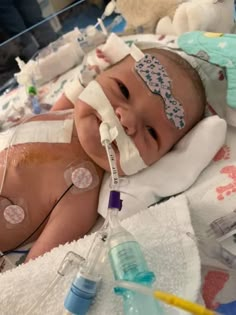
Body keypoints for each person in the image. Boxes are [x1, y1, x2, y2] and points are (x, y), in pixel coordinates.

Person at [0, 45, 205, 263]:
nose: (126, 119)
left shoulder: (80, 192)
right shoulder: (69, 113)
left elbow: (35, 267)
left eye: (152, 132)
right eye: (123, 91)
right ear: (97, 79)